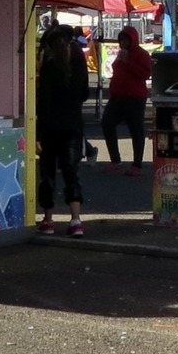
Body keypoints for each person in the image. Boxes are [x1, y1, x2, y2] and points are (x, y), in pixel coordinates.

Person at [35, 23, 89, 237]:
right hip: (73, 125)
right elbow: (84, 93)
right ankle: (75, 220)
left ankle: (48, 220)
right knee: (71, 172)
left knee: (47, 174)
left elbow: (43, 104)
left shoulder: (49, 68)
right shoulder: (79, 64)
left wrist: (38, 134)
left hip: (50, 128)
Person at [101, 26, 151, 174]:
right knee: (106, 123)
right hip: (118, 97)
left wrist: (127, 61)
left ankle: (137, 165)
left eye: (126, 40)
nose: (123, 42)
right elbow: (117, 70)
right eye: (121, 39)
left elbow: (145, 74)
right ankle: (115, 160)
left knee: (136, 130)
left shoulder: (141, 54)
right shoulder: (122, 54)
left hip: (135, 98)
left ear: (132, 40)